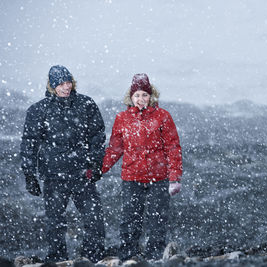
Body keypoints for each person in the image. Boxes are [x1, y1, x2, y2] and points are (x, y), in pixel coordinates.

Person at [20, 65, 106, 262]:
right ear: (52, 85)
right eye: (60, 84)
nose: (65, 87)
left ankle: (92, 259)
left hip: (82, 173)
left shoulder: (86, 104)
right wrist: (29, 174)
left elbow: (97, 136)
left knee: (94, 219)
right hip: (54, 175)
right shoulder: (38, 110)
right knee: (56, 223)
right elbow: (29, 142)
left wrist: (96, 163)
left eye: (68, 82)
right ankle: (58, 260)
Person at [101, 73, 182, 261]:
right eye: (136, 95)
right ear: (130, 97)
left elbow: (173, 147)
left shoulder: (162, 116)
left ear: (151, 96)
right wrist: (99, 170)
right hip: (132, 177)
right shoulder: (122, 118)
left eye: (144, 95)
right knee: (130, 219)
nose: (140, 99)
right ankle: (128, 257)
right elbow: (115, 148)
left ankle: (154, 258)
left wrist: (174, 177)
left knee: (157, 220)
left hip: (158, 176)